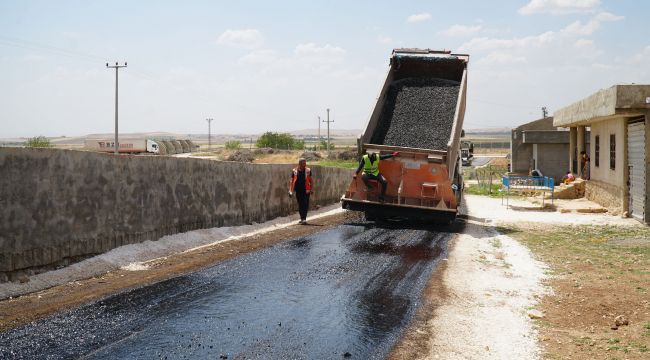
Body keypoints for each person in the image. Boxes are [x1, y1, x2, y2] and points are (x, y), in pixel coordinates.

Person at [289, 158, 313, 225]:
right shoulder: (294, 171)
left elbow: (311, 180)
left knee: (305, 204)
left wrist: (311, 189)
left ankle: (304, 219)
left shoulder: (308, 170)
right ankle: (302, 218)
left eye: (305, 163)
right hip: (298, 191)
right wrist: (290, 190)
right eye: (303, 163)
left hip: (306, 190)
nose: (305, 164)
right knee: (300, 205)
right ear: (299, 164)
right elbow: (291, 181)